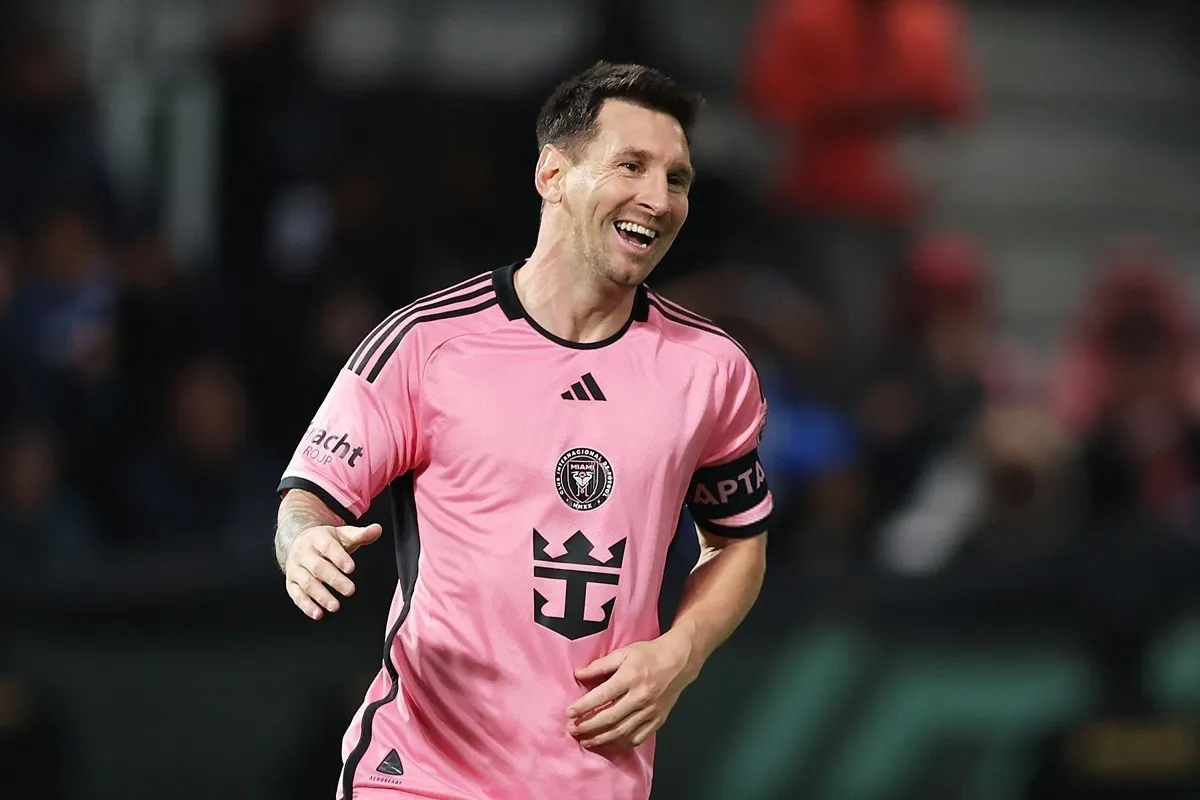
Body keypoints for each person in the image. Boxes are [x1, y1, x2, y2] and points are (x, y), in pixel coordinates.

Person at [274, 61, 773, 800]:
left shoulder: (711, 371)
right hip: (421, 777)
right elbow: (307, 500)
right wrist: (303, 544)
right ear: (552, 174)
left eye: (677, 178)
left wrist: (682, 651)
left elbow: (738, 542)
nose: (658, 198)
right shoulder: (426, 345)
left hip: (598, 784)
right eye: (631, 166)